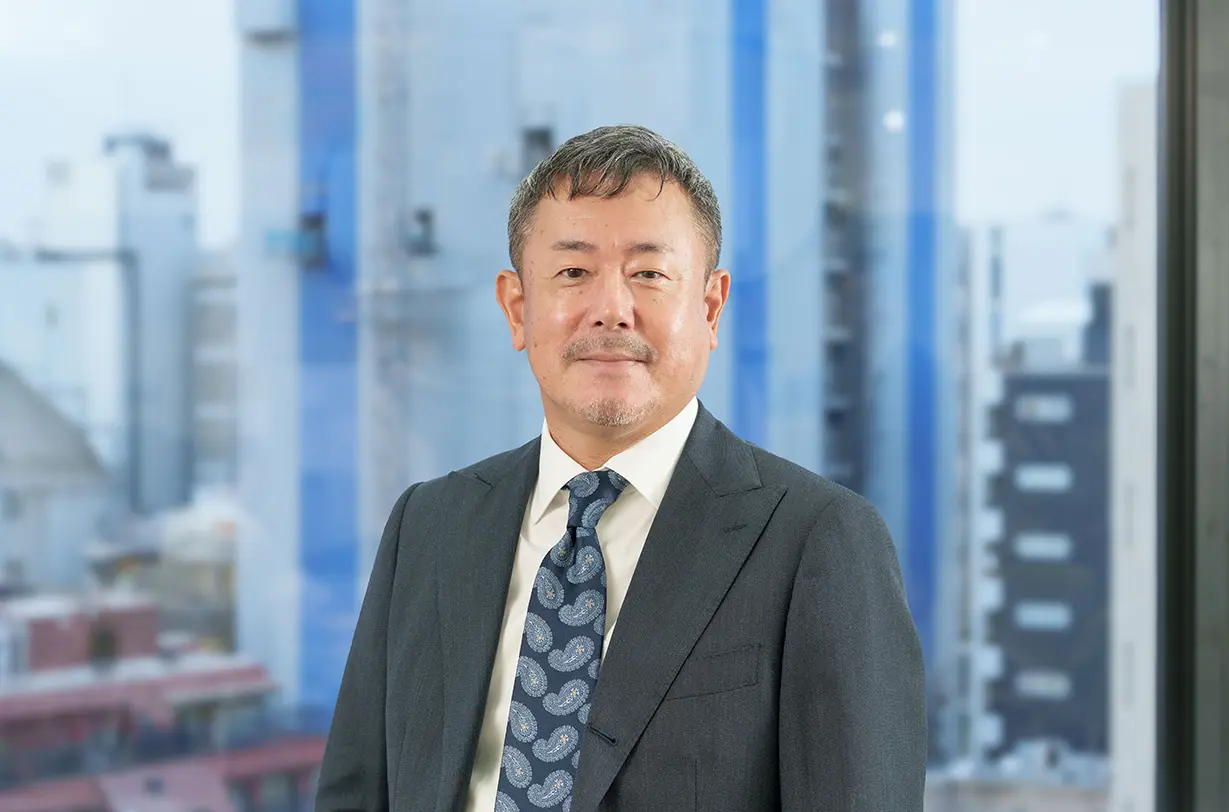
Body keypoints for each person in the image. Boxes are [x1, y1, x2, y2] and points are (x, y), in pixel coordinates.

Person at [314, 125, 925, 812]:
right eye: (573, 273)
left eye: (649, 274)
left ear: (710, 308)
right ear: (518, 309)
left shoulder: (819, 539)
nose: (611, 310)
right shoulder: (428, 526)